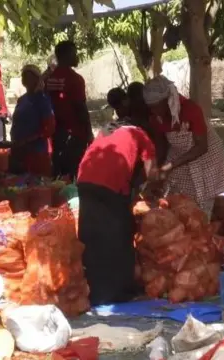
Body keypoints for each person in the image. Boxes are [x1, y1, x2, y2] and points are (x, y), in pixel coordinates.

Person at [76, 108, 160, 305]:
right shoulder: (141, 135)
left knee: (91, 235)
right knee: (120, 236)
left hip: (84, 181)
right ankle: (119, 291)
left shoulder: (106, 130)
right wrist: (152, 188)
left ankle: (92, 288)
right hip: (111, 185)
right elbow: (152, 173)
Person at [142, 76, 224, 218]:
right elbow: (160, 144)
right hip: (179, 154)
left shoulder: (190, 109)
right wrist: (156, 170)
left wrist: (170, 167)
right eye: (150, 107)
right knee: (175, 197)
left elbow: (201, 147)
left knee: (200, 202)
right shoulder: (155, 117)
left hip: (205, 155)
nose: (153, 110)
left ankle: (201, 229)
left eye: (156, 105)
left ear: (167, 100)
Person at [46, 40, 92, 178]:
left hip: (56, 133)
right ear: (66, 56)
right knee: (73, 173)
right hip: (74, 134)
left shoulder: (50, 78)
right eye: (74, 54)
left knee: (58, 171)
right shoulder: (75, 79)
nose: (77, 57)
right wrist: (89, 132)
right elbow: (80, 107)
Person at [7, 65, 55, 177]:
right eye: (24, 76)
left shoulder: (42, 100)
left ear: (37, 79)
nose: (26, 79)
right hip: (19, 151)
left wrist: (28, 140)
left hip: (36, 152)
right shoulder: (22, 99)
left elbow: (49, 128)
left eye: (29, 76)